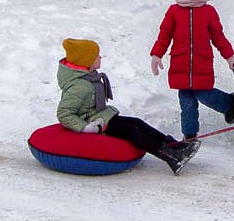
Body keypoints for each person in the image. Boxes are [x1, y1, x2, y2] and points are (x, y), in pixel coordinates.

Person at [56, 38, 200, 175]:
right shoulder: (78, 87)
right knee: (131, 130)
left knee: (137, 122)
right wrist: (85, 127)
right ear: (86, 62)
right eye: (96, 56)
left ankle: (175, 146)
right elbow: (64, 113)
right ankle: (172, 157)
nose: (100, 57)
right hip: (92, 123)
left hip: (99, 116)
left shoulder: (89, 77)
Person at [150, 0, 234, 140]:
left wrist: (229, 56)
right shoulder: (173, 11)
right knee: (187, 102)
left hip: (201, 63)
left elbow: (218, 37)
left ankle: (227, 102)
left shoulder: (209, 12)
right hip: (180, 64)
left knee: (204, 94)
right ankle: (189, 135)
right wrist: (156, 54)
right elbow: (164, 35)